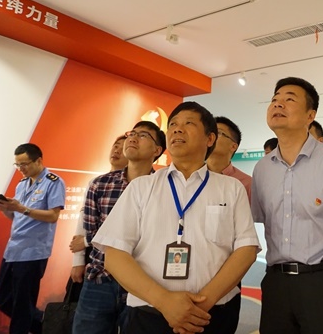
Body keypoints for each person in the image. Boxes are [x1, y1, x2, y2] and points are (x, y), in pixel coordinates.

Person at [92, 101, 260, 334]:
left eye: (188, 123)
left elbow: (246, 249)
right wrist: (165, 302)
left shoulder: (231, 188)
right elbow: (115, 255)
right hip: (149, 314)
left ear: (210, 138)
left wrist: (199, 305)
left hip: (211, 314)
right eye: (173, 125)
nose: (177, 129)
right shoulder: (141, 187)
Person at [251, 77, 323, 334]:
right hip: (276, 280)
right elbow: (263, 221)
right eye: (274, 99)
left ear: (310, 115)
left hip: (322, 279)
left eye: (289, 99)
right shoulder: (262, 169)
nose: (278, 104)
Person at [72, 121, 165, 334]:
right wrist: (79, 259)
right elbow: (91, 230)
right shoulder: (100, 184)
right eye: (132, 133)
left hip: (144, 281)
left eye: (143, 135)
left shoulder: (163, 188)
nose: (133, 138)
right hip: (100, 279)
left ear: (157, 150)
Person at [0, 143, 65, 334]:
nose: (21, 169)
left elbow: (53, 216)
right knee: (3, 298)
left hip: (33, 251)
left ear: (38, 161)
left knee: (22, 303)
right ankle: (45, 326)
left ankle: (38, 325)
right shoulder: (22, 184)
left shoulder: (53, 182)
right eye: (17, 165)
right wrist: (5, 208)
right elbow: (17, 216)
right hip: (13, 249)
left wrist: (22, 208)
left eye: (24, 164)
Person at [69, 134, 129, 285]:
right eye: (115, 146)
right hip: (92, 254)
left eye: (122, 149)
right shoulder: (96, 183)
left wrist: (86, 241)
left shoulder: (135, 185)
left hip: (115, 256)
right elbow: (84, 219)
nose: (116, 151)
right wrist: (78, 260)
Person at [207, 116, 252, 202]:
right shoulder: (193, 177)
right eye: (208, 133)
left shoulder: (246, 183)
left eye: (218, 133)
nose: (210, 137)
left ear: (233, 146)